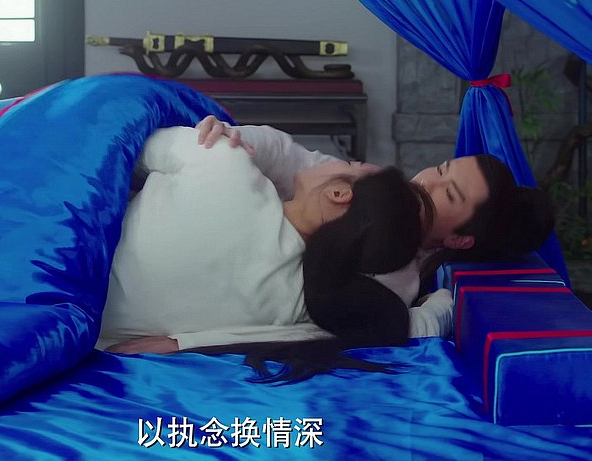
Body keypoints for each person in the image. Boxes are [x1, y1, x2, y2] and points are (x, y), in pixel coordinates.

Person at [97, 126, 442, 381]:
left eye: (351, 163)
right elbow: (402, 322)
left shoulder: (223, 160)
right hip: (92, 329)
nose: (333, 161)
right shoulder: (301, 307)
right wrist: (184, 343)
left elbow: (120, 147)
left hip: (75, 254)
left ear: (339, 193)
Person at [192, 116, 555, 294]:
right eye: (441, 169)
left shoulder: (397, 277)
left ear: (459, 239)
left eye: (449, 194)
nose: (427, 181)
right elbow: (288, 157)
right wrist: (235, 138)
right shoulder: (368, 182)